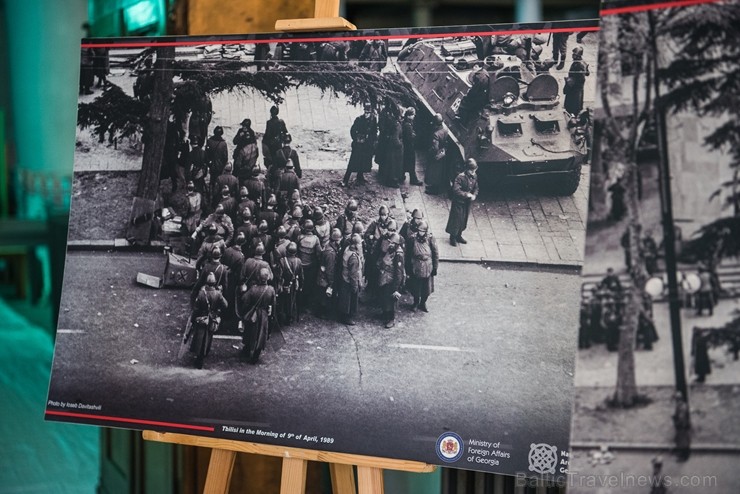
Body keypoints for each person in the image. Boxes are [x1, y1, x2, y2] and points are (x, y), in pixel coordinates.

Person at [187, 272, 228, 368]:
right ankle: (204, 353)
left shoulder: (201, 294)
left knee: (199, 336)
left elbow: (196, 309)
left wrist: (193, 320)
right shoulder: (218, 294)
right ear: (215, 283)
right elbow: (225, 305)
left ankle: (198, 356)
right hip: (212, 317)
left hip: (201, 317)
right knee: (208, 336)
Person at [237, 268, 276, 362]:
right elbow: (273, 304)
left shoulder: (253, 289)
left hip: (253, 313)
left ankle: (246, 350)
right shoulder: (271, 290)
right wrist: (272, 316)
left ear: (258, 277)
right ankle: (256, 356)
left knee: (249, 331)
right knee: (261, 334)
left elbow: (244, 300)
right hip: (264, 315)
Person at [405, 220, 438, 312]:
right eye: (419, 230)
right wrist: (408, 268)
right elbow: (408, 254)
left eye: (423, 231)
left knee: (426, 288)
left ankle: (423, 303)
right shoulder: (412, 239)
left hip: (428, 266)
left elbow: (435, 253)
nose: (421, 233)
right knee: (416, 287)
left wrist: (435, 267)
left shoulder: (431, 239)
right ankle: (415, 302)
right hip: (416, 265)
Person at [446, 159, 479, 246]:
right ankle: (452, 237)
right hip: (458, 202)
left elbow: (476, 187)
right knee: (456, 220)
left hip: (467, 203)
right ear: (467, 169)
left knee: (463, 220)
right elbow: (456, 190)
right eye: (471, 170)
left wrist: (474, 194)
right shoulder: (460, 177)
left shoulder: (474, 176)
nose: (473, 172)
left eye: (474, 170)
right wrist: (467, 195)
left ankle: (459, 235)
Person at [343, 103, 377, 187]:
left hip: (367, 145)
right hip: (358, 145)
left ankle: (360, 176)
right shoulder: (359, 119)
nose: (366, 114)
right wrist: (356, 139)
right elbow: (353, 130)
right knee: (352, 163)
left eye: (368, 112)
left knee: (363, 161)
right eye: (365, 112)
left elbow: (374, 132)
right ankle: (345, 179)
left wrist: (370, 140)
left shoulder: (373, 120)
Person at [377, 233, 405, 328]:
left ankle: (391, 319)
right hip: (385, 277)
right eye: (390, 242)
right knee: (385, 297)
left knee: (391, 300)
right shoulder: (390, 250)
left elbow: (399, 272)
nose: (390, 244)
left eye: (392, 243)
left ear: (397, 244)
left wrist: (396, 287)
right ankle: (385, 314)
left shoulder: (398, 254)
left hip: (392, 279)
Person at [337, 233, 364, 325]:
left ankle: (343, 314)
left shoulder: (347, 249)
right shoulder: (353, 257)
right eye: (359, 243)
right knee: (349, 300)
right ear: (355, 244)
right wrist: (355, 286)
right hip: (350, 280)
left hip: (344, 277)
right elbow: (353, 274)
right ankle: (347, 317)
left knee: (344, 298)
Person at [296, 219, 322, 311]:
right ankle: (306, 304)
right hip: (311, 266)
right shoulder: (315, 239)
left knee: (300, 284)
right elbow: (319, 253)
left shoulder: (300, 237)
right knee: (309, 285)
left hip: (300, 265)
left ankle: (299, 302)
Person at [317, 228, 342, 319]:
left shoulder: (329, 246)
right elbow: (330, 270)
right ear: (335, 241)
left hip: (323, 276)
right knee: (325, 297)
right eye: (339, 240)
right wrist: (331, 283)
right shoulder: (331, 253)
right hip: (325, 278)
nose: (340, 241)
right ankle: (322, 313)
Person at [276, 242, 303, 324]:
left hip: (284, 284)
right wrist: (301, 286)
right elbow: (301, 275)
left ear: (286, 251)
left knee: (282, 301)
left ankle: (281, 317)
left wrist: (278, 285)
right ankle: (289, 318)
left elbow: (279, 276)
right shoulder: (298, 261)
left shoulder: (282, 261)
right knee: (291, 301)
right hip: (293, 285)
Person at [563, 45, 590, 116]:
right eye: (573, 54)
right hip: (578, 87)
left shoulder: (578, 64)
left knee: (573, 102)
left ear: (578, 56)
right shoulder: (583, 62)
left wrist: (569, 80)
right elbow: (587, 73)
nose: (572, 55)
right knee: (578, 101)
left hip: (575, 87)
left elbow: (582, 78)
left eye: (574, 54)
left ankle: (573, 114)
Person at [426, 114, 448, 195]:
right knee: (438, 172)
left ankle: (434, 189)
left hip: (436, 154)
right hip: (442, 152)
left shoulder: (436, 134)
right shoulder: (445, 129)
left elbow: (435, 147)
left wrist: (430, 152)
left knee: (434, 172)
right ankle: (434, 187)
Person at [401, 108, 423, 185]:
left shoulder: (405, 122)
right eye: (413, 115)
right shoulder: (408, 125)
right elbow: (410, 138)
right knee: (411, 163)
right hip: (409, 147)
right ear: (409, 116)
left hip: (405, 147)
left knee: (404, 162)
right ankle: (413, 179)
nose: (414, 116)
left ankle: (401, 176)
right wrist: (414, 136)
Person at [672, 392, 691, 461]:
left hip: (682, 425)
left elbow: (681, 417)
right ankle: (682, 453)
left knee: (683, 441)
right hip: (683, 425)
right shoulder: (683, 405)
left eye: (676, 399)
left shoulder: (681, 406)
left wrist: (677, 423)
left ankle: (684, 456)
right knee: (681, 440)